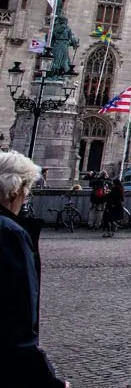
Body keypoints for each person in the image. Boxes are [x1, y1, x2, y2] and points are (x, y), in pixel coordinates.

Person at [0, 152, 69, 388]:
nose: (26, 197)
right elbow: (17, 320)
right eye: (26, 190)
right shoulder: (10, 234)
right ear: (14, 191)